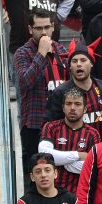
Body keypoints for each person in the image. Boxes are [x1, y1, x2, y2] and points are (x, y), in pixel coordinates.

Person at [13, 10, 68, 173]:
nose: (43, 32)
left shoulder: (61, 50)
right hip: (35, 124)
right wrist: (41, 53)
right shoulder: (22, 53)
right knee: (38, 171)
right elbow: (24, 82)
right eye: (38, 28)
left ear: (53, 27)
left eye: (47, 27)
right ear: (30, 29)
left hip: (60, 122)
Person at [44, 38, 102, 140]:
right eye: (74, 61)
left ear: (91, 63)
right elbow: (48, 127)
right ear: (70, 66)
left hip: (100, 150)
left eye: (83, 60)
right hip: (72, 152)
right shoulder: (60, 93)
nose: (78, 64)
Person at [39, 87, 101, 193]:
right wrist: (78, 155)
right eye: (68, 104)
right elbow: (45, 156)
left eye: (77, 104)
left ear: (85, 109)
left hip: (80, 195)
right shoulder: (50, 127)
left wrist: (61, 161)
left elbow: (93, 168)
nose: (72, 108)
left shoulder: (93, 134)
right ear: (63, 108)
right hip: (52, 194)